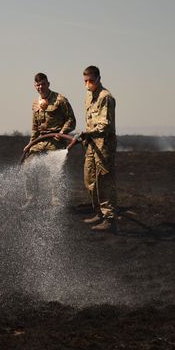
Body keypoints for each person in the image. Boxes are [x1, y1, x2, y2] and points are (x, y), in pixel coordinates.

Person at [23, 72, 76, 206]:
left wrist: (62, 132)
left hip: (56, 140)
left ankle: (57, 202)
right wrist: (30, 144)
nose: (41, 87)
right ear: (35, 86)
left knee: (56, 170)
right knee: (28, 166)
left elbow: (71, 119)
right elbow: (35, 127)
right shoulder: (35, 104)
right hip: (40, 140)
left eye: (43, 84)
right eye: (38, 85)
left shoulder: (60, 99)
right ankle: (32, 199)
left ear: (48, 84)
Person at [80, 65, 118, 231]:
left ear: (98, 79)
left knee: (104, 180)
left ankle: (109, 218)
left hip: (104, 144)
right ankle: (99, 212)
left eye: (91, 80)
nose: (88, 84)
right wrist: (87, 136)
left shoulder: (105, 97)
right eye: (85, 81)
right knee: (89, 179)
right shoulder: (89, 96)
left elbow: (105, 125)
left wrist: (88, 132)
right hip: (92, 144)